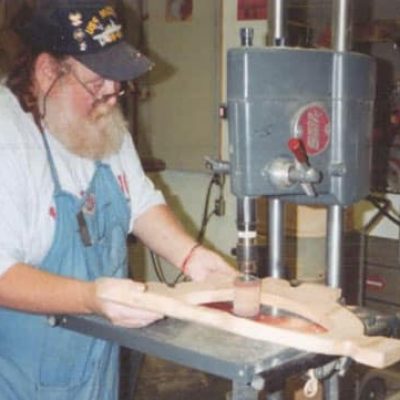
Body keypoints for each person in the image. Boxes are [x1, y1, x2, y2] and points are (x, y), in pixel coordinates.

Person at [0, 0, 236, 399]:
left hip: (94, 372)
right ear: (46, 71)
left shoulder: (102, 121)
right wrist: (89, 297)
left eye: (118, 80)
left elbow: (139, 203)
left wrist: (193, 258)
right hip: (22, 379)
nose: (112, 93)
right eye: (97, 81)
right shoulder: (8, 141)